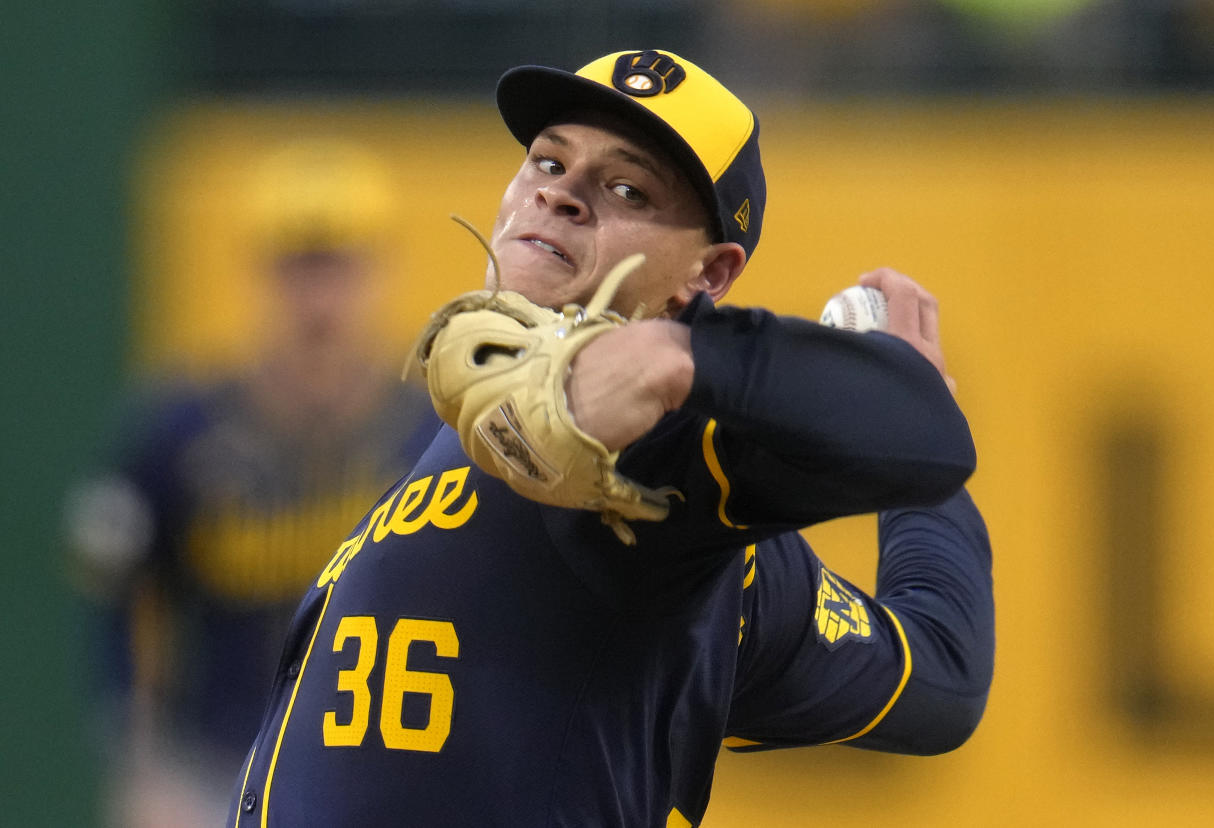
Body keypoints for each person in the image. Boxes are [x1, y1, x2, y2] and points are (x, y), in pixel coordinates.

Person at [229, 49, 993, 827]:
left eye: (627, 188)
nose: (559, 195)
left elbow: (922, 445)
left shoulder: (656, 467)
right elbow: (943, 673)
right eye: (547, 161)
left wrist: (685, 354)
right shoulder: (494, 421)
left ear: (709, 275)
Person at [63, 139, 440, 827]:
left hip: (382, 775)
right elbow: (110, 591)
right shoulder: (180, 430)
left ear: (376, 273)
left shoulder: (430, 437)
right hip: (210, 770)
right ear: (265, 274)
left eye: (339, 267)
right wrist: (139, 765)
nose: (320, 298)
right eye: (300, 268)